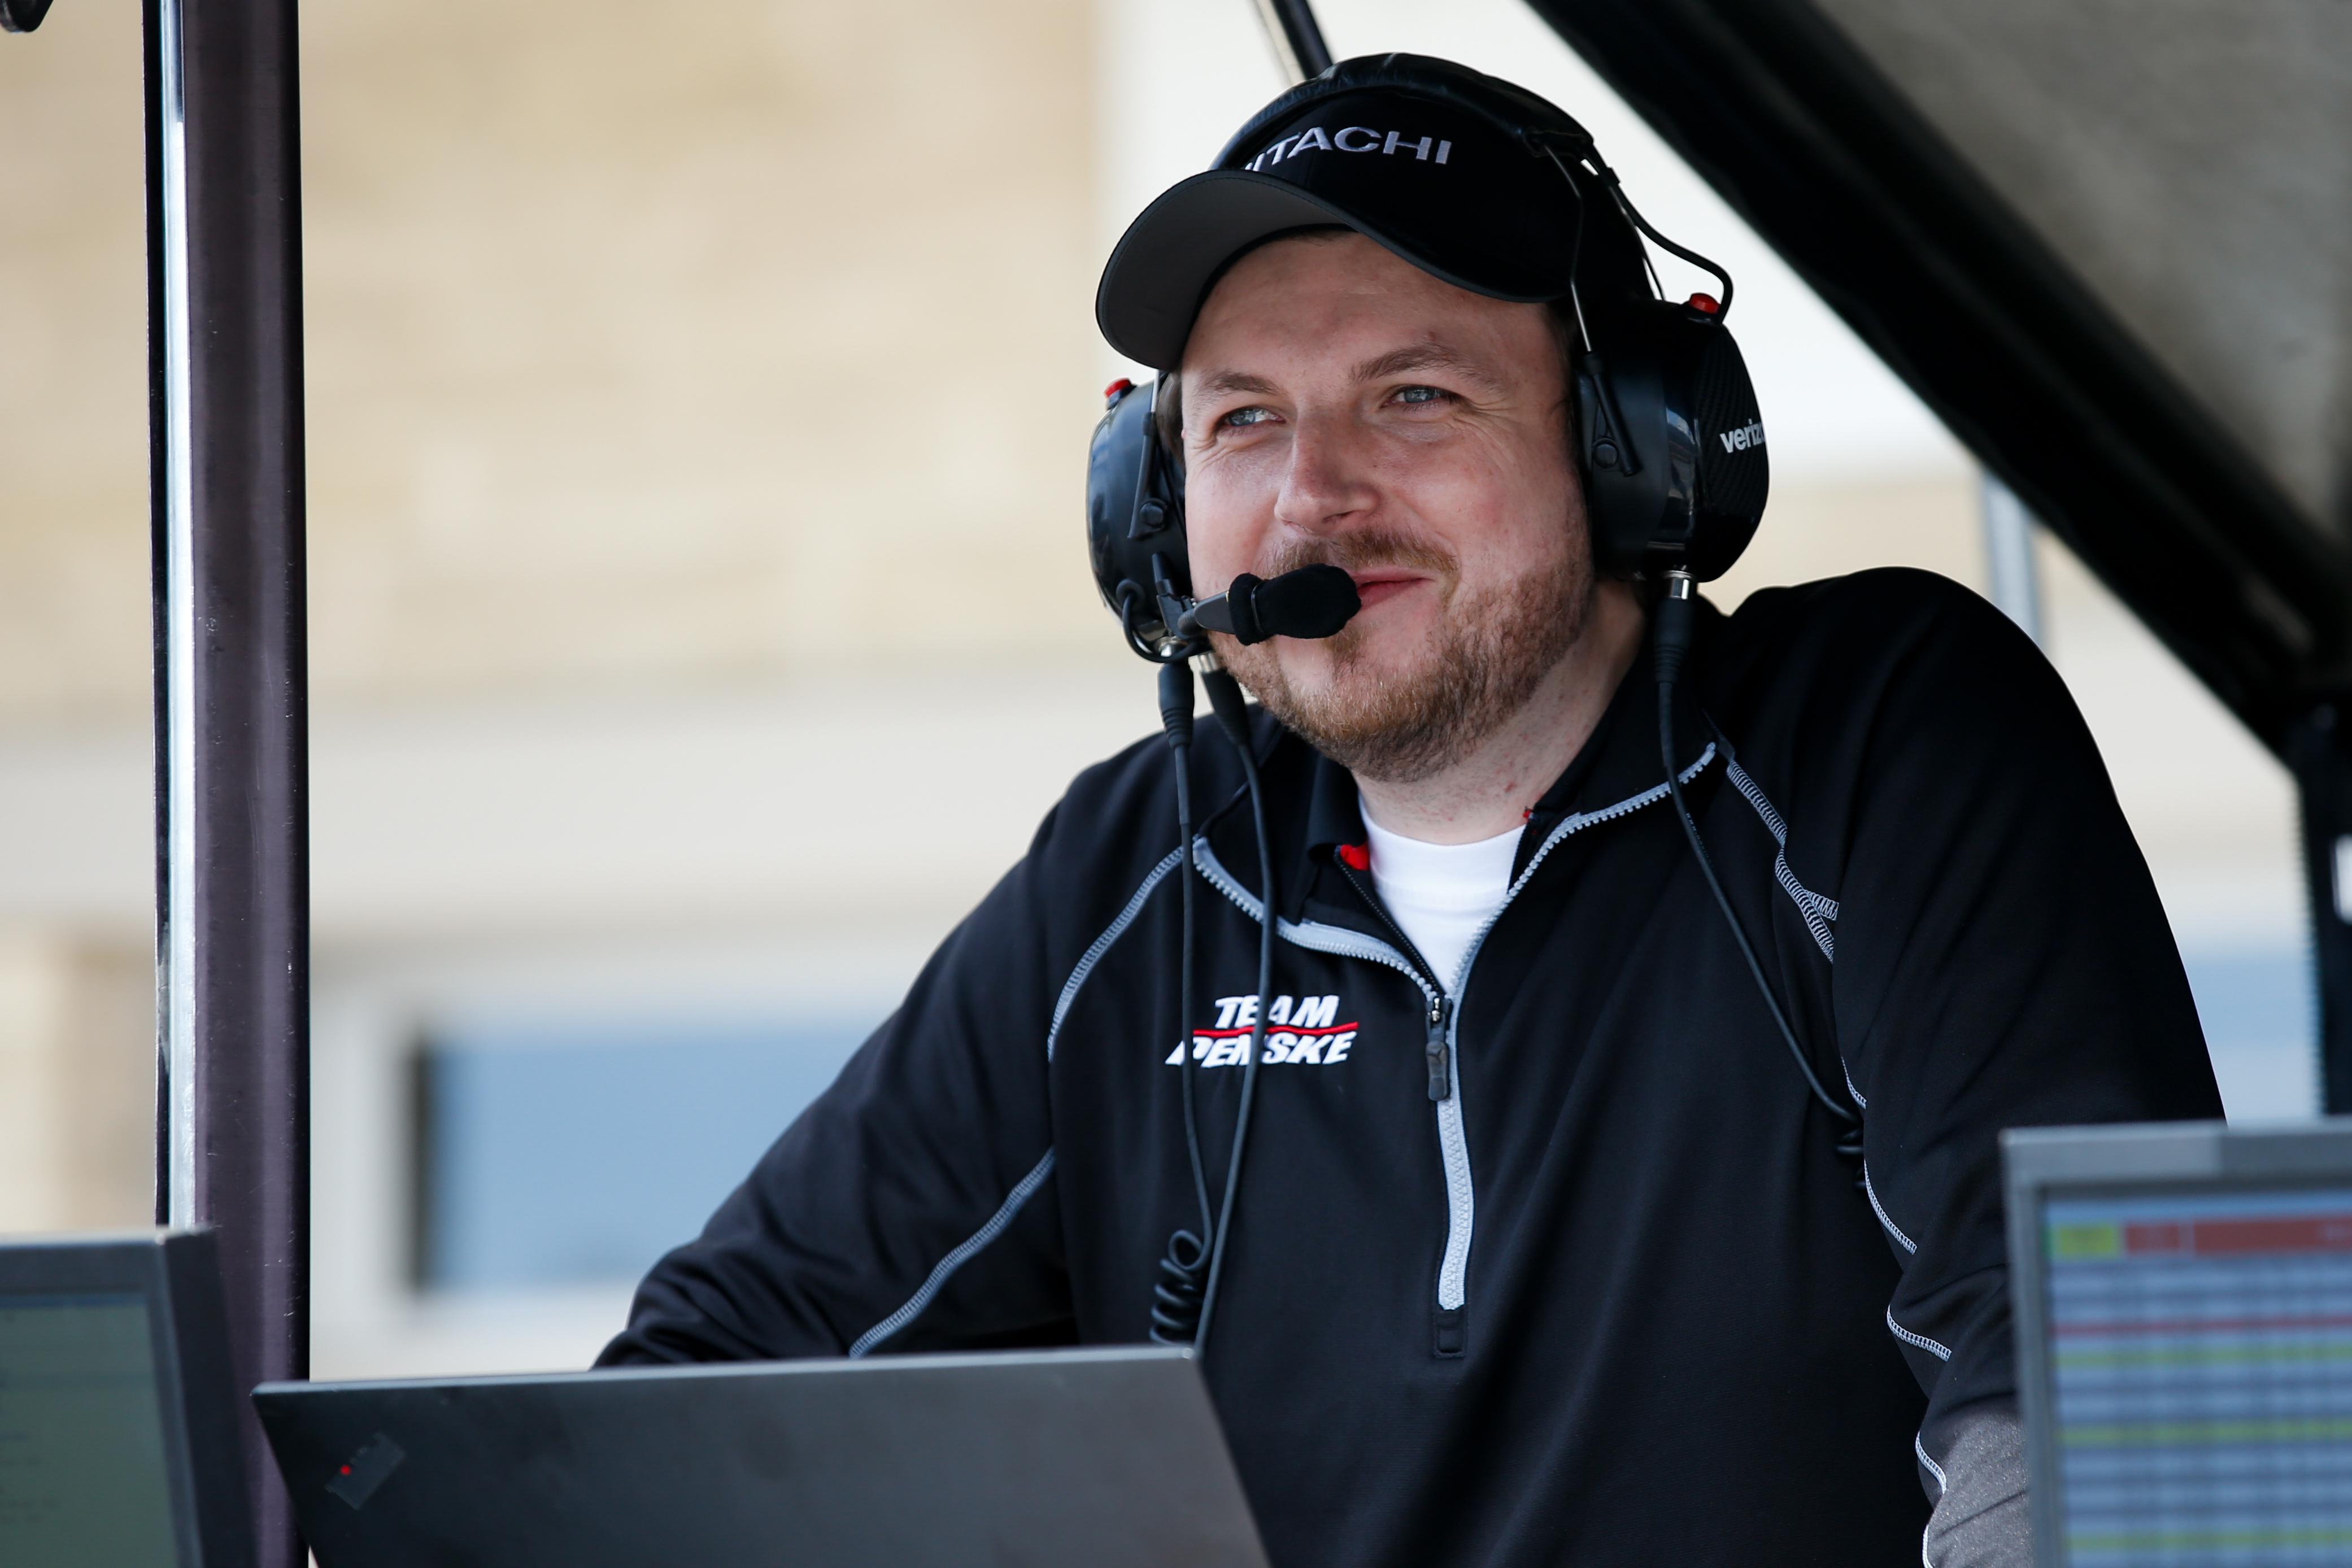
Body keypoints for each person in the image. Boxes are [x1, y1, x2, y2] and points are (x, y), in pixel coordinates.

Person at [602, 55, 2220, 1566]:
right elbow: (697, 1406)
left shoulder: (1877, 735)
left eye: (1414, 397)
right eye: (1242, 418)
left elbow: (2089, 1386)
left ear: (1627, 447)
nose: (1312, 495)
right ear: (1156, 510)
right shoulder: (1135, 871)